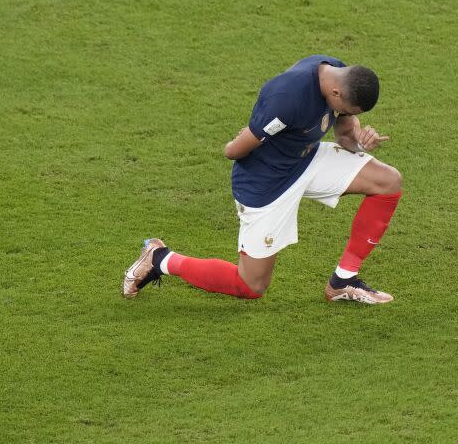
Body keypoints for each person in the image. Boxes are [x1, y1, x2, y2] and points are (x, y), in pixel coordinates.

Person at [121, 54, 402, 304]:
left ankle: (343, 282)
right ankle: (160, 258)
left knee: (387, 181)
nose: (351, 116)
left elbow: (344, 136)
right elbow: (233, 151)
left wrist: (361, 143)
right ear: (336, 92)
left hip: (305, 159)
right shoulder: (287, 98)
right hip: (267, 185)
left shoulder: (338, 75)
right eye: (351, 110)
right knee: (250, 285)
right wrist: (237, 141)